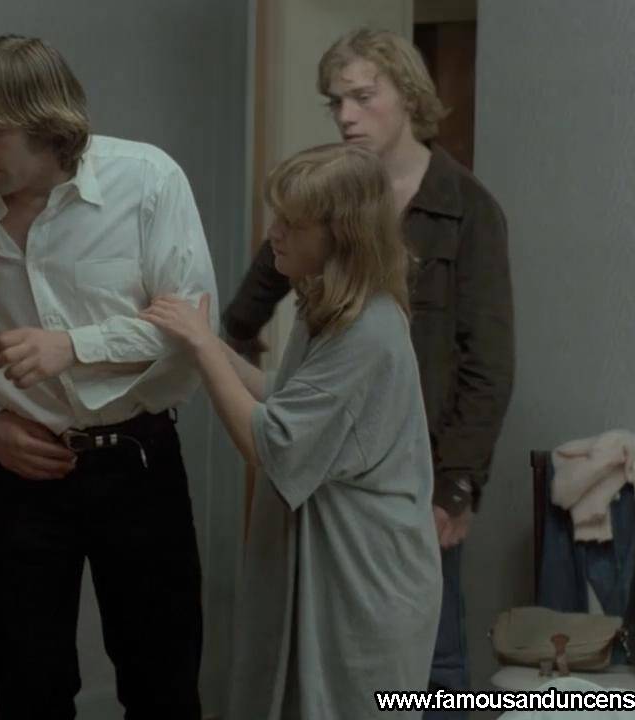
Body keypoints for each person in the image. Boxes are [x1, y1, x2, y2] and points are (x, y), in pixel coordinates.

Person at [0, 35, 218, 720]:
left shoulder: (148, 181)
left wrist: (74, 347)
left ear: (46, 123)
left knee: (163, 684)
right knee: (27, 689)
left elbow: (193, 325)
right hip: (18, 471)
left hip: (137, 460)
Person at [221, 29, 515, 716]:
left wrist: (457, 485)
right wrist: (251, 375)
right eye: (335, 102)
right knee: (332, 666)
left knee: (428, 654)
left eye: (362, 96)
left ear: (407, 94)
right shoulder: (324, 199)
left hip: (415, 472)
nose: (347, 116)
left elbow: (489, 363)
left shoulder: (466, 208)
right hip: (329, 477)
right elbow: (250, 303)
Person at [142, 143, 442, 719]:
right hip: (344, 565)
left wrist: (204, 347)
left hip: (367, 581)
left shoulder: (368, 329)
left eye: (291, 223)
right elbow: (284, 396)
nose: (273, 233)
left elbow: (271, 444)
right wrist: (205, 345)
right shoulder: (325, 307)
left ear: (341, 235)